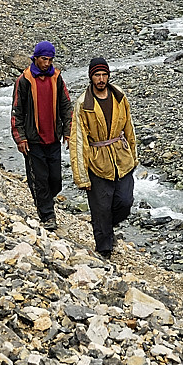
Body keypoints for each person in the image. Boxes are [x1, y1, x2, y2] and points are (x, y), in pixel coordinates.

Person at [69, 57, 138, 259]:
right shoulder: (83, 104)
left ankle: (106, 228)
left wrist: (133, 155)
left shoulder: (119, 97)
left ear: (108, 76)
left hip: (121, 158)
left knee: (125, 202)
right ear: (91, 77)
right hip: (97, 161)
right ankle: (104, 251)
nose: (101, 79)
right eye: (97, 75)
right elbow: (78, 140)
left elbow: (129, 127)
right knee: (101, 209)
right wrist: (81, 176)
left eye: (104, 75)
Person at [11, 41, 72, 231]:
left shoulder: (57, 78)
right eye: (44, 59)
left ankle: (45, 201)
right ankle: (47, 215)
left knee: (55, 180)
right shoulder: (24, 80)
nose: (47, 63)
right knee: (39, 178)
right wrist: (20, 137)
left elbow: (66, 106)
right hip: (33, 140)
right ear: (35, 58)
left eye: (50, 59)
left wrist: (68, 132)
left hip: (53, 137)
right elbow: (16, 111)